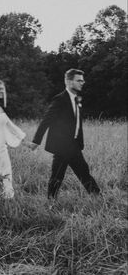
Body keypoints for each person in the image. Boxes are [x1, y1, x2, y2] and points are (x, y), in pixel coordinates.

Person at [29, 69, 100, 199]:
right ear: (68, 81)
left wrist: (78, 142)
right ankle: (51, 201)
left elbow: (76, 123)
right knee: (57, 176)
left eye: (83, 80)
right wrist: (36, 141)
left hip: (74, 145)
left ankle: (97, 197)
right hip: (61, 146)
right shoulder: (60, 99)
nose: (82, 83)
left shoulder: (77, 99)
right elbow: (46, 120)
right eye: (79, 80)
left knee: (84, 172)